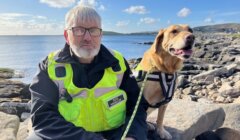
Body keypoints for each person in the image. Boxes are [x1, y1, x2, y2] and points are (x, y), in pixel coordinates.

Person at [27, 5, 148, 140]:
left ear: (101, 34)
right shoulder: (49, 67)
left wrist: (132, 135)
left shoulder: (118, 63)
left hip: (116, 134)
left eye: (94, 30)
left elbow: (137, 106)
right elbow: (43, 118)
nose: (87, 38)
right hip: (69, 136)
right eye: (79, 30)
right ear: (67, 35)